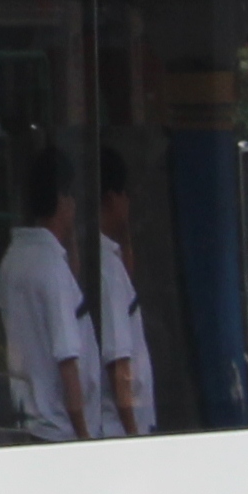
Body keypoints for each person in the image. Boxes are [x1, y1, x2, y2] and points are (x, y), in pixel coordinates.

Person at [0, 143, 99, 443]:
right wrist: (84, 436)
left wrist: (71, 238)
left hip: (27, 421)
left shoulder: (13, 260)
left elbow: (69, 289)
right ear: (63, 198)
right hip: (61, 431)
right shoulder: (50, 270)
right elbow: (67, 360)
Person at [90, 147, 159, 437]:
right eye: (125, 195)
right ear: (111, 198)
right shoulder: (106, 270)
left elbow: (129, 273)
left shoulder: (110, 260)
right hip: (121, 430)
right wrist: (133, 436)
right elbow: (119, 365)